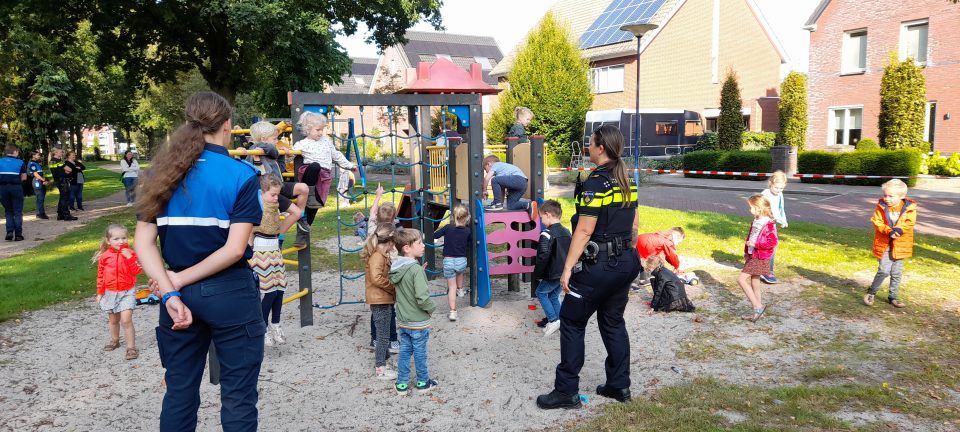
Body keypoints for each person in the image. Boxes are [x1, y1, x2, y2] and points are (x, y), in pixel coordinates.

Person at [133, 91, 264, 431]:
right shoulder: (241, 174)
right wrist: (174, 283)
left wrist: (170, 289)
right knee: (238, 395)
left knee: (179, 391)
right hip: (229, 292)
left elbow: (143, 243)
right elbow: (235, 250)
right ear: (227, 125)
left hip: (176, 294)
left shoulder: (161, 175)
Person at [536, 125, 640, 410]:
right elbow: (634, 225)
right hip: (626, 261)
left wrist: (568, 268)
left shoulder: (597, 183)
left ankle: (566, 391)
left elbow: (583, 231)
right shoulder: (625, 179)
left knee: (571, 321)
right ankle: (619, 385)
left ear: (601, 147)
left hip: (602, 264)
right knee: (613, 321)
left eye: (590, 143)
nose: (587, 148)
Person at [390, 228, 439, 395]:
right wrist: (431, 309)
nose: (423, 245)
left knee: (404, 351)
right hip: (418, 321)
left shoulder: (398, 267)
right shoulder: (415, 270)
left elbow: (406, 286)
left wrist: (419, 273)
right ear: (407, 248)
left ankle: (402, 384)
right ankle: (423, 382)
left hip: (404, 320)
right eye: (419, 243)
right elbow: (421, 297)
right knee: (420, 353)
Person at [247, 121, 311, 247]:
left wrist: (283, 156)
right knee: (294, 212)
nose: (277, 141)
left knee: (303, 188)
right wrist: (270, 152)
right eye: (275, 138)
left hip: (279, 185)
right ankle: (280, 236)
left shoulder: (270, 152)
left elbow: (281, 169)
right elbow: (258, 173)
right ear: (264, 139)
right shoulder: (255, 151)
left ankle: (302, 218)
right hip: (270, 191)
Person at [293, 112, 356, 225]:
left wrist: (349, 165)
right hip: (310, 174)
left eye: (322, 129)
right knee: (315, 166)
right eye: (318, 130)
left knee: (316, 202)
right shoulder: (302, 143)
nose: (321, 132)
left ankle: (307, 224)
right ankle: (311, 192)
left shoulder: (326, 141)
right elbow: (291, 156)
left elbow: (336, 155)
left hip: (324, 177)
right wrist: (288, 153)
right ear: (308, 130)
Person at [864, 179, 917, 308]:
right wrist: (888, 231)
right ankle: (871, 292)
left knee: (897, 273)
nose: (887, 198)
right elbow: (877, 221)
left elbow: (909, 222)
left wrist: (899, 229)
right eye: (885, 195)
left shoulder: (909, 208)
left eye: (890, 196)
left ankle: (893, 296)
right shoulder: (881, 207)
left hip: (901, 244)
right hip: (885, 243)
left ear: (901, 196)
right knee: (883, 270)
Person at [93, 223, 142, 360]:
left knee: (126, 320)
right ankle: (115, 341)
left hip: (127, 291)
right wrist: (100, 292)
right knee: (113, 320)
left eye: (124, 238)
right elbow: (101, 276)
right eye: (116, 239)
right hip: (110, 292)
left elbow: (137, 271)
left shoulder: (130, 253)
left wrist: (129, 258)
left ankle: (131, 347)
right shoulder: (105, 256)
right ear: (108, 241)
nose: (121, 241)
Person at [249, 174, 288, 347]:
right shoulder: (256, 205)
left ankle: (276, 323)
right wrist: (249, 250)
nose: (275, 198)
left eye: (277, 195)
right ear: (262, 192)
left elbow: (295, 213)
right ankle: (263, 327)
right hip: (260, 251)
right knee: (269, 291)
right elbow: (249, 228)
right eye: (272, 195)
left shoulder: (275, 206)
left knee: (280, 288)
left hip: (274, 249)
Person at [531, 199, 571, 337]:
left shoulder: (546, 234)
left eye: (541, 217)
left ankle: (553, 320)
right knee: (553, 295)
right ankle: (560, 319)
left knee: (541, 293)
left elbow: (543, 256)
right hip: (564, 272)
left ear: (548, 214)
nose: (541, 221)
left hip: (552, 273)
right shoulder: (567, 232)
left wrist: (537, 274)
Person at [363, 224, 398, 380]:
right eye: (394, 241)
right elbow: (376, 278)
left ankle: (386, 361)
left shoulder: (382, 255)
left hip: (383, 298)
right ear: (389, 241)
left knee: (383, 334)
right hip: (380, 300)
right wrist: (392, 287)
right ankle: (380, 368)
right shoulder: (377, 256)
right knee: (383, 336)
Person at [367, 183, 399, 351]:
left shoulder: (373, 230)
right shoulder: (392, 235)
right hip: (387, 276)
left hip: (373, 273)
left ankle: (374, 339)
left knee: (376, 309)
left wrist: (378, 195)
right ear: (393, 219)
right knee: (389, 310)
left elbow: (372, 213)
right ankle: (393, 339)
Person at [737, 194, 779, 322]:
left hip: (760, 257)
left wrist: (755, 245)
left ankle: (758, 306)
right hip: (753, 255)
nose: (749, 210)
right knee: (754, 282)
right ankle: (757, 312)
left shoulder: (768, 224)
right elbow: (751, 237)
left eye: (751, 207)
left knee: (741, 280)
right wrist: (747, 251)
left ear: (759, 208)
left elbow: (772, 243)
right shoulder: (756, 220)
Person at [434, 204, 471, 321]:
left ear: (454, 217)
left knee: (451, 287)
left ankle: (453, 312)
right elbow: (470, 242)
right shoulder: (468, 231)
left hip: (448, 261)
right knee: (460, 272)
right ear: (467, 218)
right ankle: (460, 289)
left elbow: (435, 235)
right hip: (461, 260)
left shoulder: (448, 228)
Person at [760, 170, 788, 284]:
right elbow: (761, 209)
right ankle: (765, 271)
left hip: (773, 225)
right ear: (770, 184)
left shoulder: (780, 194)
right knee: (765, 246)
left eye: (781, 188)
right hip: (764, 225)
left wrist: (784, 220)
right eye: (776, 188)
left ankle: (766, 270)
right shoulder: (765, 194)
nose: (779, 191)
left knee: (772, 247)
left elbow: (781, 208)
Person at [0, 144, 27, 241]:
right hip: (16, 187)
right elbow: (24, 177)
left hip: (3, 188)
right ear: (14, 152)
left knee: (8, 211)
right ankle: (18, 234)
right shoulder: (20, 162)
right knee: (18, 211)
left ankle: (9, 231)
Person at [48, 149, 76, 221]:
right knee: (65, 198)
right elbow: (69, 169)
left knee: (62, 197)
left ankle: (60, 214)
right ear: (56, 152)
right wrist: (66, 171)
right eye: (61, 152)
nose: (62, 153)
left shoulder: (51, 161)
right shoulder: (58, 161)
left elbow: (59, 171)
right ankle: (66, 215)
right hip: (63, 181)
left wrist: (65, 170)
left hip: (58, 181)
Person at [27, 151, 49, 219]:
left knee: (41, 198)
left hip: (40, 180)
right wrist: (44, 180)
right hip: (37, 181)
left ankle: (39, 212)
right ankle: (41, 213)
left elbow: (41, 173)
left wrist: (44, 180)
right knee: (40, 197)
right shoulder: (32, 163)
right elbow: (36, 174)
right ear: (33, 156)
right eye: (38, 155)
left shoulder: (37, 163)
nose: (39, 156)